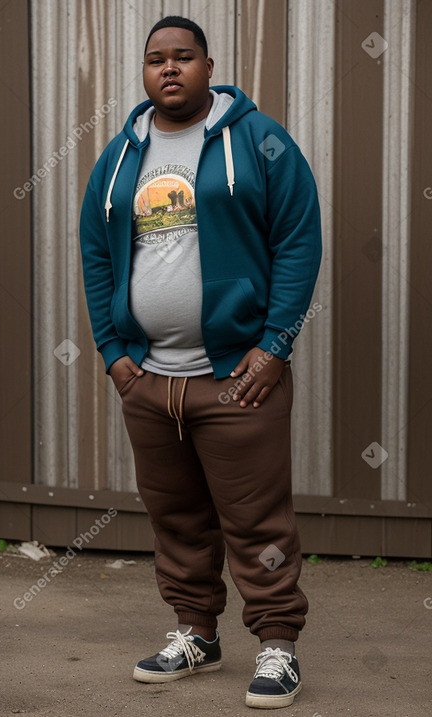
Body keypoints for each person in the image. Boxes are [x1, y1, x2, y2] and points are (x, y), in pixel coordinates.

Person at [79, 15, 321, 710]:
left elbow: (300, 239)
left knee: (256, 519)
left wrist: (274, 345)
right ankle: (196, 633)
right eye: (157, 59)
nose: (170, 69)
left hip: (237, 379)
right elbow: (96, 254)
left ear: (209, 65)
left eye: (183, 57)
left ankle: (278, 643)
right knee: (177, 516)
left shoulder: (260, 139)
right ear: (145, 71)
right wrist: (115, 357)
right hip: (151, 380)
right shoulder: (122, 155)